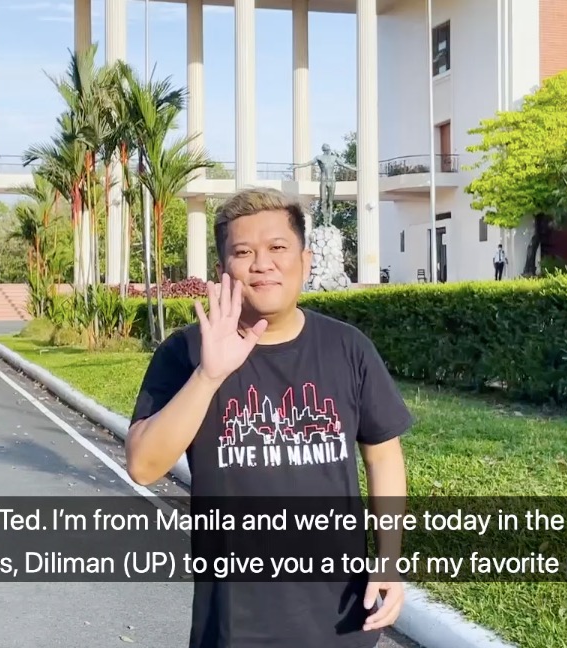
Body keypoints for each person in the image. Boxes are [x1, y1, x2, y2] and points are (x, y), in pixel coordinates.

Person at [126, 186, 413, 648]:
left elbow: (383, 457)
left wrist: (390, 558)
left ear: (305, 259)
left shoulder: (347, 348)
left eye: (278, 247)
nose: (263, 263)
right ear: (224, 271)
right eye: (244, 252)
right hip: (236, 622)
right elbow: (143, 465)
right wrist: (209, 375)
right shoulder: (186, 352)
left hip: (341, 616)